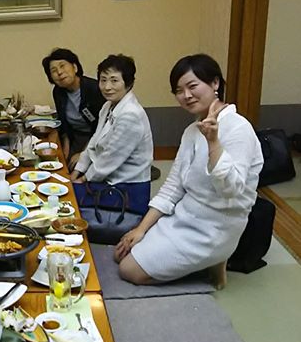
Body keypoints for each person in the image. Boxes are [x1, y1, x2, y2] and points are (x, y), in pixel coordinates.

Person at [114, 54, 263, 289]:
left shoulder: (238, 128)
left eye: (192, 86)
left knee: (128, 270)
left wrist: (213, 143)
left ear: (215, 83)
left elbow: (232, 190)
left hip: (216, 226)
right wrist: (141, 229)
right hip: (185, 215)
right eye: (179, 90)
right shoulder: (192, 130)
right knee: (121, 253)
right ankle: (205, 261)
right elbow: (173, 186)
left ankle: (214, 260)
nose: (186, 95)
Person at [70, 54, 153, 210]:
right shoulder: (108, 106)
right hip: (107, 180)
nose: (107, 87)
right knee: (66, 188)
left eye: (114, 80)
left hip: (127, 190)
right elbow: (93, 142)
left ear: (128, 83)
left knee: (67, 196)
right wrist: (76, 171)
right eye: (103, 80)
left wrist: (83, 179)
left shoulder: (131, 114)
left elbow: (110, 158)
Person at [42, 48, 106, 169]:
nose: (59, 72)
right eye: (54, 70)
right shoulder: (58, 92)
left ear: (75, 67)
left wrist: (84, 154)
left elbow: (102, 127)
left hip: (98, 140)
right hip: (76, 138)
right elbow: (64, 125)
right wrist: (65, 150)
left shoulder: (94, 89)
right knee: (62, 165)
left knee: (80, 169)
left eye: (62, 66)